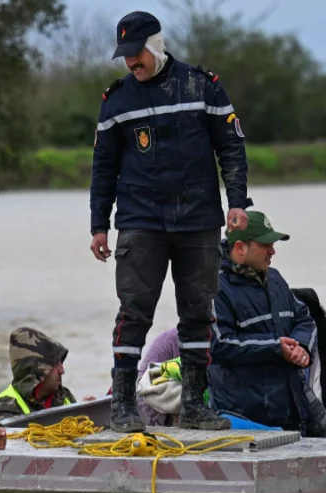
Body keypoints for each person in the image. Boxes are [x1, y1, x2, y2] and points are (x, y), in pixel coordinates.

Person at [89, 10, 251, 433]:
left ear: (156, 45)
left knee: (198, 314)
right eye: (125, 56)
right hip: (141, 220)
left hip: (199, 219)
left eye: (137, 53)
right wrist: (99, 225)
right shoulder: (116, 99)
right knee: (133, 311)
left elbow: (231, 149)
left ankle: (194, 404)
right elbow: (102, 168)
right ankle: (123, 404)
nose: (131, 63)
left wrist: (237, 202)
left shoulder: (203, 85)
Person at [210, 211, 326, 435]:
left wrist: (301, 347)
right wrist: (276, 348)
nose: (272, 251)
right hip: (242, 419)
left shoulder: (276, 279)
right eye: (265, 245)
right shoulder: (214, 287)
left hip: (288, 413)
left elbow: (305, 319)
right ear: (240, 248)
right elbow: (218, 343)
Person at [0, 326, 80, 493]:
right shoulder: (2, 408)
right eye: (56, 365)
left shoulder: (64, 398)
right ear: (38, 372)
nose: (62, 370)